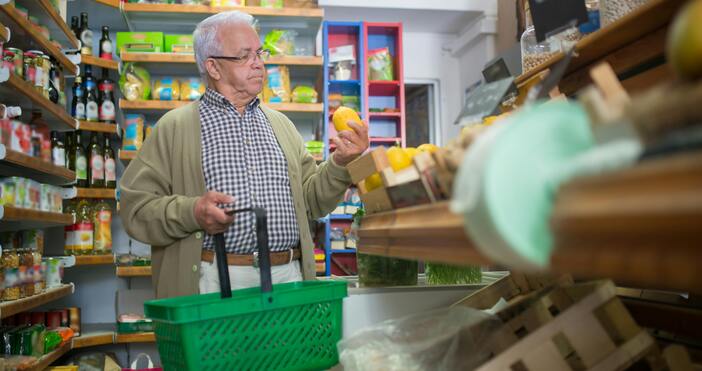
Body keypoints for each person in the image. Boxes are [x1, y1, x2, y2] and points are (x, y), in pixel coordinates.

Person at [119, 11, 368, 298]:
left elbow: (312, 202)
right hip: (212, 280)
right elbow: (135, 209)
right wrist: (193, 212)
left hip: (287, 276)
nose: (259, 63)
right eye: (244, 56)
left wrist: (339, 163)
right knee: (217, 346)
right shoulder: (174, 128)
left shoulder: (282, 125)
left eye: (259, 53)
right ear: (213, 67)